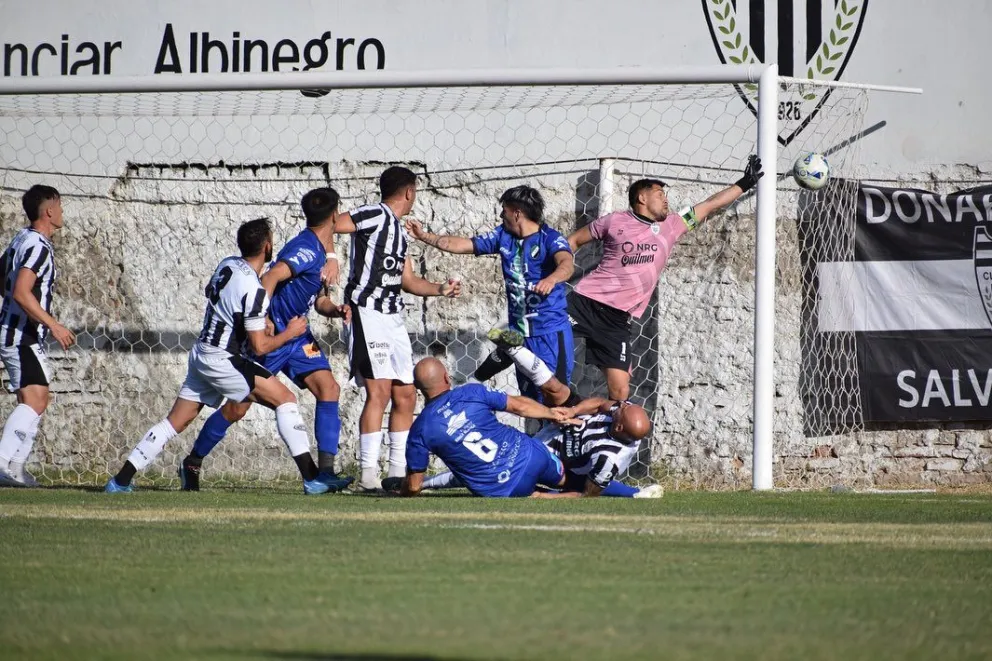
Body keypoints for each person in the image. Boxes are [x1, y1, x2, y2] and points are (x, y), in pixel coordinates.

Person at [105, 218, 340, 495]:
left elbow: (213, 294)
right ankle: (313, 478)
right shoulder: (254, 289)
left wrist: (250, 320)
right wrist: (290, 332)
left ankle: (120, 480)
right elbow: (261, 347)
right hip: (224, 360)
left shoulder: (227, 264)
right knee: (286, 400)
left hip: (201, 354)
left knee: (173, 423)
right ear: (267, 246)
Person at [176, 188, 353, 492]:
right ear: (335, 215)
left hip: (298, 336)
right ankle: (192, 462)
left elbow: (319, 299)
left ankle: (326, 473)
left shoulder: (322, 250)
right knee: (237, 407)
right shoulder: (305, 249)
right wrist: (265, 316)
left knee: (329, 388)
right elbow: (269, 278)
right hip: (275, 334)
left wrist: (335, 310)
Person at [568, 155, 764, 400]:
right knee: (537, 339)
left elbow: (709, 205)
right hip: (584, 303)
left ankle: (605, 432)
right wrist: (554, 270)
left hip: (617, 320)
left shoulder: (673, 225)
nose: (665, 198)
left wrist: (744, 183)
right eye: (659, 193)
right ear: (642, 198)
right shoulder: (614, 221)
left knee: (620, 392)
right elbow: (573, 241)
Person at [334, 166, 461, 492]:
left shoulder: (399, 231)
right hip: (367, 314)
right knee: (379, 392)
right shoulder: (374, 214)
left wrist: (438, 289)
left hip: (393, 319)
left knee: (405, 394)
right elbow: (332, 223)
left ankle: (395, 472)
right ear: (409, 192)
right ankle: (367, 475)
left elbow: (406, 280)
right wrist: (331, 256)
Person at [419, 338, 664, 499]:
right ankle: (514, 348)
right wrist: (572, 412)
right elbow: (600, 403)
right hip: (562, 426)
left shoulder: (608, 458)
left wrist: (544, 497)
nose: (618, 406)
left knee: (491, 465)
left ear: (619, 427)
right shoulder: (626, 413)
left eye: (619, 411)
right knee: (557, 390)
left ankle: (425, 483)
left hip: (552, 457)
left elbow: (587, 494)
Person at [405, 185, 574, 401]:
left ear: (517, 213)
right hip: (519, 336)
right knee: (531, 400)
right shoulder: (503, 236)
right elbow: (463, 244)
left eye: (504, 209)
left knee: (556, 397)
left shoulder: (549, 238)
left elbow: (567, 264)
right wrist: (423, 236)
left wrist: (551, 279)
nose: (501, 214)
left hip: (549, 332)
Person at [397, 357, 572, 498]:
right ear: (446, 377)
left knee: (538, 495)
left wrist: (403, 492)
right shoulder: (471, 392)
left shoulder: (420, 429)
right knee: (570, 480)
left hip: (503, 487)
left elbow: (413, 486)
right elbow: (520, 407)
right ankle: (583, 486)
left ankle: (554, 495)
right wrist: (552, 413)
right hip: (533, 456)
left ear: (418, 388)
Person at [0, 185, 75, 487]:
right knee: (34, 399)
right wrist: (53, 324)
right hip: (21, 334)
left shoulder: (21, 239)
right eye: (59, 204)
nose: (62, 211)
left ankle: (16, 469)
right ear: (49, 211)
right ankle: (4, 462)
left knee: (37, 399)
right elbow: (20, 291)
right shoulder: (38, 246)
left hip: (19, 332)